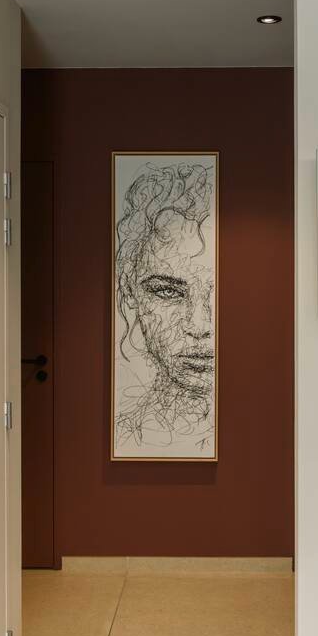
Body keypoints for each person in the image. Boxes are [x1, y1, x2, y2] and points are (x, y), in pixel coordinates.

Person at [114, 160, 215, 454]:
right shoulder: (124, 436)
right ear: (129, 290)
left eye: (221, 292)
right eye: (168, 291)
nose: (199, 326)